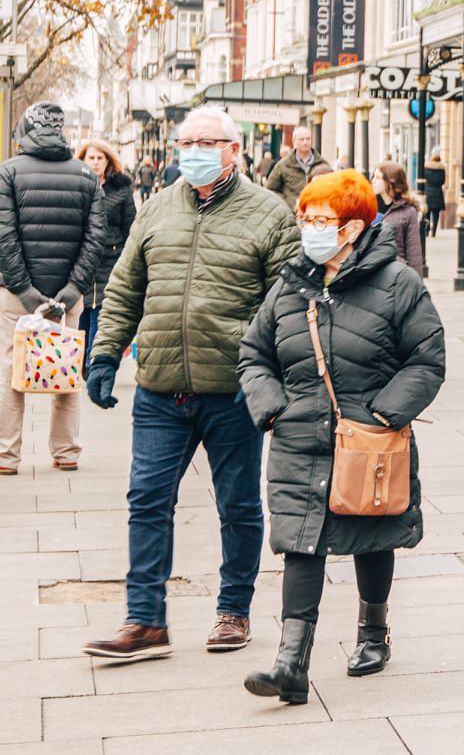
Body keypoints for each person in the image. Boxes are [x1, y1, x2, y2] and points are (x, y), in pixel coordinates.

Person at [81, 105, 301, 663]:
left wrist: (270, 377)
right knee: (148, 499)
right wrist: (104, 354)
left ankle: (233, 610)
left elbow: (288, 307)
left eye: (206, 141)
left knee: (239, 505)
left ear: (234, 151)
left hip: (231, 389)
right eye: (187, 142)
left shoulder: (270, 214)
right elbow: (126, 287)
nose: (194, 151)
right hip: (159, 388)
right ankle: (145, 621)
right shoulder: (156, 209)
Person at [238, 170, 445, 705]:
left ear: (353, 227)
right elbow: (254, 353)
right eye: (305, 218)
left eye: (321, 220)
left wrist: (384, 416)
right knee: (300, 543)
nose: (309, 227)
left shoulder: (399, 283)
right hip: (299, 436)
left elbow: (426, 360)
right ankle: (291, 663)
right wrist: (273, 408)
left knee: (373, 534)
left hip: (367, 437)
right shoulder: (290, 283)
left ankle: (373, 634)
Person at [0, 104, 106, 475]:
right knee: (66, 369)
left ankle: (5, 455)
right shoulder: (85, 176)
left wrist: (24, 290)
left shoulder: (8, 173)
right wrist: (73, 289)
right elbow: (95, 238)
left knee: (11, 371)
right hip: (67, 298)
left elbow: (4, 236)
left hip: (16, 295)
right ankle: (66, 452)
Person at [77, 140, 138, 365]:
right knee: (83, 310)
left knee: (100, 309)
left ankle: (91, 362)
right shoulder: (77, 186)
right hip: (83, 258)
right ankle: (82, 358)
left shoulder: (121, 190)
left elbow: (130, 226)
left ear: (108, 161)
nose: (95, 163)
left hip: (111, 258)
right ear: (83, 160)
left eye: (99, 158)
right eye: (91, 158)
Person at [372, 162, 425, 275]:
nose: (372, 181)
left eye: (377, 178)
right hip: (372, 272)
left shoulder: (407, 211)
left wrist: (416, 284)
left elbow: (413, 252)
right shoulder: (370, 207)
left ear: (390, 182)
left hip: (396, 274)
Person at [266, 127, 327, 211]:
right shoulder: (283, 165)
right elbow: (269, 189)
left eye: (308, 139)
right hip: (292, 214)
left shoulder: (322, 164)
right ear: (294, 141)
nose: (305, 142)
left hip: (316, 214)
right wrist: (286, 202)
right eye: (301, 139)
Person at [421, 154, 447, 238]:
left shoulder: (426, 168)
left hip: (428, 192)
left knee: (427, 213)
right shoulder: (441, 169)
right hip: (437, 193)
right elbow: (442, 181)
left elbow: (423, 179)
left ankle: (426, 231)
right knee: (436, 213)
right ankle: (434, 231)